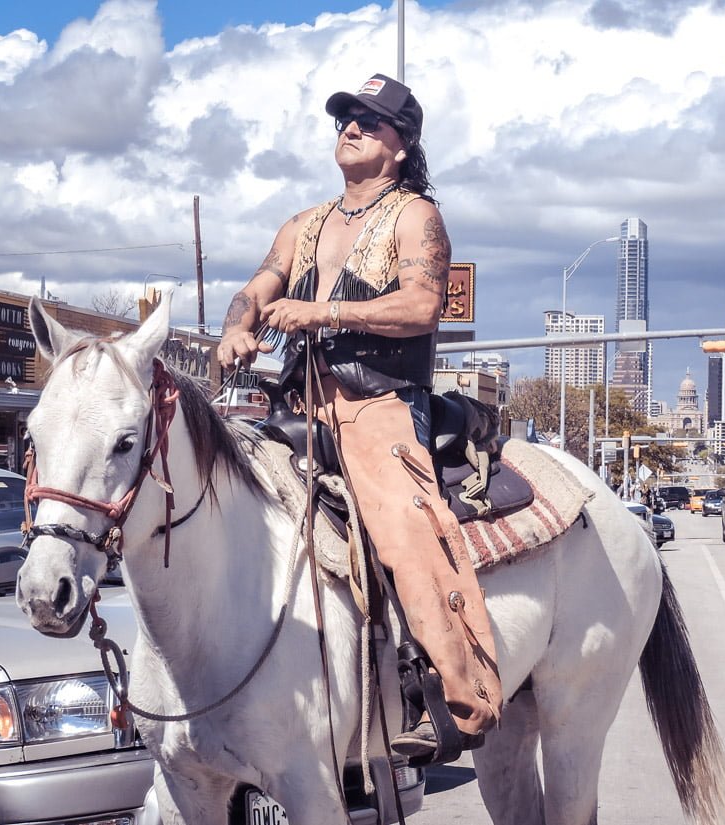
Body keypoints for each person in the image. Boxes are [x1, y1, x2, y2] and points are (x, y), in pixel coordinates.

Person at [216, 73, 500, 759]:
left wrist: (324, 311)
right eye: (346, 117)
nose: (351, 128)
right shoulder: (303, 224)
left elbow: (420, 307)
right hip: (297, 402)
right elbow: (254, 289)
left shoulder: (414, 217)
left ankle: (460, 701)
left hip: (379, 407)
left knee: (405, 530)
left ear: (400, 146)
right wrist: (236, 327)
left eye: (371, 123)